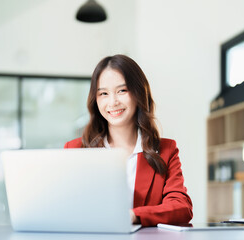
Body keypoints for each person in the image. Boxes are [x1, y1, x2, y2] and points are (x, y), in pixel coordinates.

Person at [64, 54, 193, 227]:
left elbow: (181, 208)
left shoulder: (165, 150)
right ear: (95, 99)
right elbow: (64, 206)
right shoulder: (75, 149)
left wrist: (133, 215)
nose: (113, 102)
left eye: (122, 91)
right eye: (103, 93)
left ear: (139, 93)